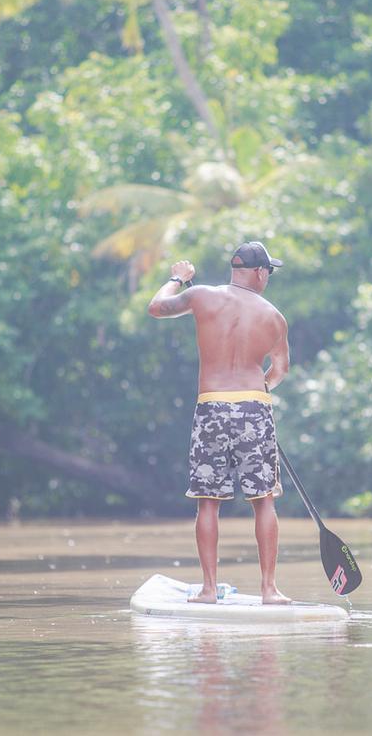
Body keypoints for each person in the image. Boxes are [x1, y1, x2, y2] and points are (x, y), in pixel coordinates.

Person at [148, 241, 291, 605]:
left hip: (211, 405)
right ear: (260, 273)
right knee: (264, 501)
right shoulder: (274, 317)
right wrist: (260, 387)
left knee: (208, 503)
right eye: (269, 273)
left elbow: (156, 307)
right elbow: (280, 371)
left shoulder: (201, 297)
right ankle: (269, 590)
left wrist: (177, 278)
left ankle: (209, 590)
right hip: (253, 408)